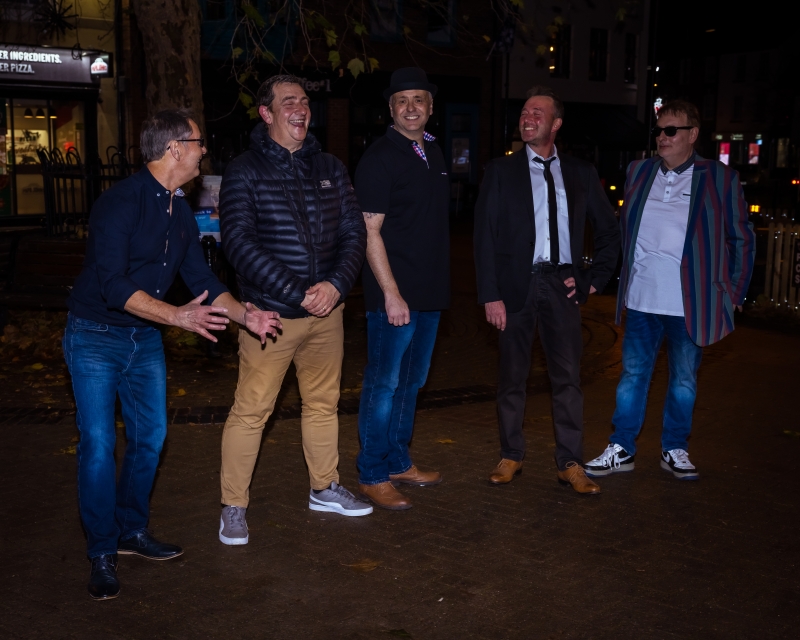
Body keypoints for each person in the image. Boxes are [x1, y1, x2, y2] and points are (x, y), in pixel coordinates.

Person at [63, 109, 282, 600]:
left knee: (150, 439)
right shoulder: (119, 203)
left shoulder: (179, 209)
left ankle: (130, 531)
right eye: (199, 143)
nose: (205, 151)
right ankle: (101, 550)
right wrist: (177, 317)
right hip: (95, 336)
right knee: (98, 443)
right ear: (175, 148)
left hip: (143, 338)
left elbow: (202, 280)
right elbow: (113, 284)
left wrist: (246, 316)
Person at [217, 74, 371, 544]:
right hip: (271, 317)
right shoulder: (244, 170)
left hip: (326, 314)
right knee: (251, 411)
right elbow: (237, 242)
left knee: (323, 404)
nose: (300, 109)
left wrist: (336, 286)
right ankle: (233, 506)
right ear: (266, 113)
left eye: (304, 101)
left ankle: (324, 487)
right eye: (288, 102)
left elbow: (354, 233)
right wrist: (296, 291)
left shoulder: (330, 166)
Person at [585, 100, 755, 481]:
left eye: (671, 130)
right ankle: (622, 447)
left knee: (683, 379)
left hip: (691, 303)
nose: (662, 137)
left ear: (692, 135)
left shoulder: (719, 178)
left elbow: (741, 238)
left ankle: (674, 448)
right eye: (659, 131)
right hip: (641, 298)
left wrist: (735, 292)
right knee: (632, 376)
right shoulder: (639, 171)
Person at [474, 86, 620, 494]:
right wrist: (490, 294)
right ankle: (511, 455)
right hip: (514, 286)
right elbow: (484, 237)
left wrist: (592, 280)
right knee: (511, 377)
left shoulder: (580, 172)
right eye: (524, 112)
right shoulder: (501, 171)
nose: (528, 118)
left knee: (568, 379)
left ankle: (570, 462)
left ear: (556, 124)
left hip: (561, 286)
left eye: (537, 113)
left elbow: (609, 231)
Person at [353, 68, 450, 510]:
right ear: (390, 108)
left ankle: (397, 461)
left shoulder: (433, 149)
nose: (411, 107)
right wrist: (391, 293)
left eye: (419, 99)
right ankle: (372, 473)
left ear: (430, 106)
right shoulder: (379, 158)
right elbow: (369, 231)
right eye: (402, 100)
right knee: (384, 383)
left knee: (412, 382)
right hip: (394, 295)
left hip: (429, 293)